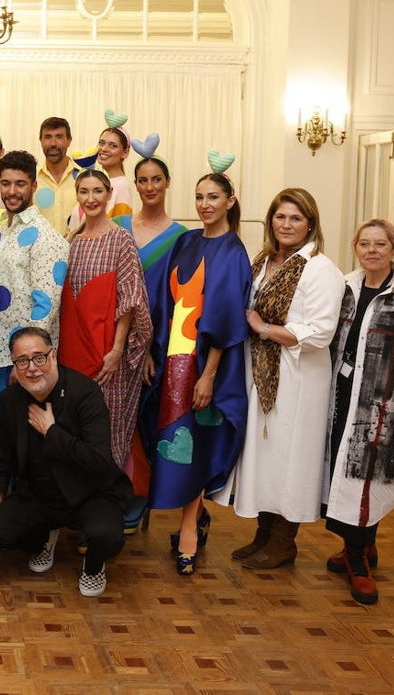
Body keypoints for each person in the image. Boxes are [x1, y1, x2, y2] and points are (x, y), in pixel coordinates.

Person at [212, 189, 343, 569]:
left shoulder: (320, 269)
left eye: (295, 219)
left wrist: (265, 328)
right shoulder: (263, 261)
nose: (286, 225)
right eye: (280, 217)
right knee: (265, 456)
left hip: (298, 377)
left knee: (290, 458)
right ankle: (264, 535)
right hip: (260, 372)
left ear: (311, 224)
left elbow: (320, 332)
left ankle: (285, 541)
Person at [322, 219, 394, 605]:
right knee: (345, 475)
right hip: (342, 397)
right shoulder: (347, 287)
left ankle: (358, 560)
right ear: (355, 247)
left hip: (384, 406)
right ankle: (360, 545)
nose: (372, 250)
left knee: (368, 480)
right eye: (365, 244)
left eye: (380, 244)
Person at [146, 170, 251, 575]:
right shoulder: (186, 242)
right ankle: (194, 514)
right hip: (173, 359)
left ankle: (189, 526)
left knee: (199, 441)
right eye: (199, 197)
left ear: (230, 199)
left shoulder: (233, 251)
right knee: (174, 441)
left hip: (207, 365)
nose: (205, 205)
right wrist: (156, 352)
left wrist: (208, 375)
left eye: (213, 197)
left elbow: (225, 319)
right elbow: (162, 303)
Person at [0, 328, 132, 597]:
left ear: (54, 355)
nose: (32, 368)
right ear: (14, 365)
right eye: (22, 361)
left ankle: (94, 566)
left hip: (90, 494)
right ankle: (43, 540)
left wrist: (52, 432)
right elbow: (2, 455)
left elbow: (98, 461)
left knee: (107, 535)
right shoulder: (10, 398)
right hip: (39, 496)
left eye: (39, 358)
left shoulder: (86, 392)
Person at [58, 169, 151, 522]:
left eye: (98, 190)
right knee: (78, 428)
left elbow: (130, 300)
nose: (92, 198)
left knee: (109, 428)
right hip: (74, 349)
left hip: (106, 351)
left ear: (110, 193)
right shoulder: (73, 240)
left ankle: (110, 506)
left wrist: (115, 350)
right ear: (77, 195)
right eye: (84, 191)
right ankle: (80, 505)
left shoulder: (122, 240)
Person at [114, 151, 188, 532]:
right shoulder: (119, 225)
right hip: (114, 337)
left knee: (143, 420)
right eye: (142, 180)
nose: (149, 187)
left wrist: (148, 349)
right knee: (113, 422)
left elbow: (177, 299)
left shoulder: (181, 237)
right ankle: (114, 492)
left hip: (155, 342)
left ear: (167, 182)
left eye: (156, 179)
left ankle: (140, 495)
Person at [0, 150, 70, 441]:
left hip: (21, 361)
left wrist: (26, 363)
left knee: (22, 438)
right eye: (6, 183)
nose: (11, 191)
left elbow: (46, 306)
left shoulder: (46, 236)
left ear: (33, 187)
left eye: (20, 184)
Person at [34, 116, 76, 236]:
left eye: (59, 137)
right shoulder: (31, 180)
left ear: (69, 140)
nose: (53, 143)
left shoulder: (85, 177)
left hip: (80, 253)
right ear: (40, 141)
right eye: (47, 137)